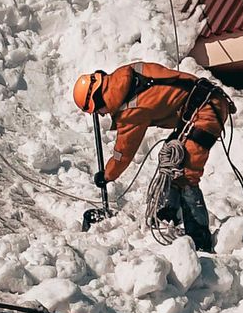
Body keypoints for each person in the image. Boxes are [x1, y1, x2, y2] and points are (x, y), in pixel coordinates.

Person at [71, 62, 230, 252]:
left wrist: (107, 175)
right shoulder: (124, 77)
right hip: (200, 105)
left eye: (96, 111)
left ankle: (200, 241)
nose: (100, 115)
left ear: (97, 101)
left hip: (206, 111)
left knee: (186, 172)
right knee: (171, 159)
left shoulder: (130, 109)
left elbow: (123, 152)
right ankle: (168, 216)